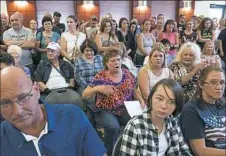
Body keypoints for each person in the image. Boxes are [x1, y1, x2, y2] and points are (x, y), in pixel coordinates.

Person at [0, 66, 106, 156]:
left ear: (36, 91)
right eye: (5, 103)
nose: (17, 111)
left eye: (23, 97)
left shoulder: (73, 117)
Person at [82, 48, 145, 156]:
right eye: (113, 61)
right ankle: (110, 153)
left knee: (140, 121)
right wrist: (97, 89)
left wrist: (141, 101)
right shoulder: (101, 76)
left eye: (118, 59)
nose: (117, 62)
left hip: (125, 108)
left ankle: (134, 150)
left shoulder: (127, 74)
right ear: (106, 63)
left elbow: (134, 90)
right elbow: (84, 95)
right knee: (112, 127)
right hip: (105, 110)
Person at [120, 79, 192, 155]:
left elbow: (184, 150)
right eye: (159, 99)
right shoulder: (135, 126)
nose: (164, 106)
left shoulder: (173, 121)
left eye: (171, 102)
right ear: (151, 98)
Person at [180, 66, 226, 156]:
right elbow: (200, 151)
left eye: (222, 82)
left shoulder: (222, 105)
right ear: (201, 84)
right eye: (213, 83)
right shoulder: (191, 109)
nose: (219, 87)